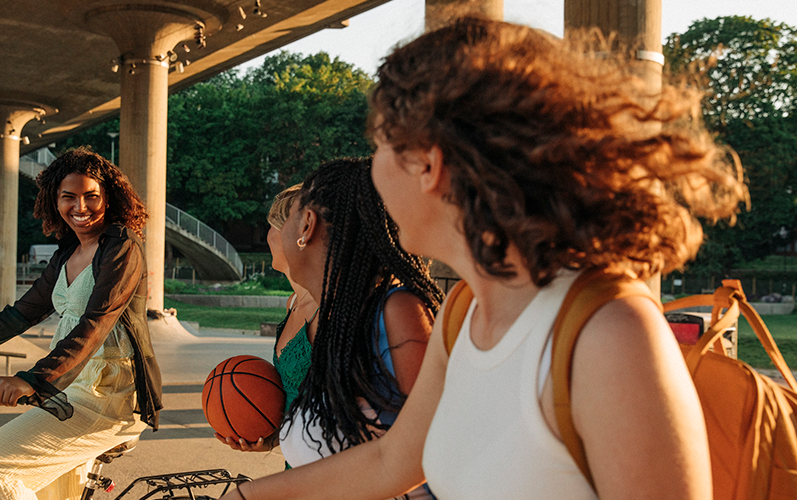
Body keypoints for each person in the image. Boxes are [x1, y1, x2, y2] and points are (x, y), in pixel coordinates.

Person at [220, 16, 747, 500]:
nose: (372, 173)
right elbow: (390, 461)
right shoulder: (462, 316)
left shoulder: (609, 333)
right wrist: (242, 497)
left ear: (429, 165)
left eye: (380, 145)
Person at [0, 147, 162, 500]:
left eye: (91, 196)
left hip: (108, 396)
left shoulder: (122, 247)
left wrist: (33, 379)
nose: (80, 206)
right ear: (54, 201)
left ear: (109, 197)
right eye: (68, 197)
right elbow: (17, 316)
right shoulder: (66, 254)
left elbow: (96, 322)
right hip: (69, 389)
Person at [235, 158, 444, 498]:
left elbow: (421, 452)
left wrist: (251, 494)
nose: (277, 233)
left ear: (307, 225)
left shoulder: (397, 310)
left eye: (286, 219)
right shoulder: (337, 319)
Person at [216, 184, 320, 455]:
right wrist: (273, 437)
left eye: (273, 226)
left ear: (301, 234)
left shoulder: (326, 311)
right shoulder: (293, 302)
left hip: (324, 462)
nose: (268, 235)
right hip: (294, 459)